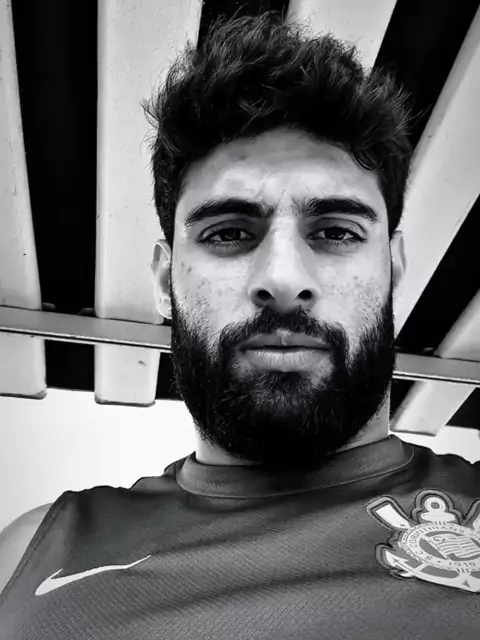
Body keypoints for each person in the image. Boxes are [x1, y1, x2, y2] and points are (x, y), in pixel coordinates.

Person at [1, 10, 479, 639]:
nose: (282, 278)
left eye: (336, 232)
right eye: (228, 233)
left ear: (391, 269)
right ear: (166, 279)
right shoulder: (28, 552)